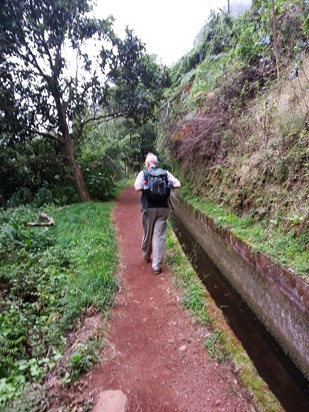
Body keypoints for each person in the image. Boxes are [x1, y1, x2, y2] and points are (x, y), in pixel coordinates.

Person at [134, 152, 181, 274]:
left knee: (147, 233)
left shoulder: (143, 173)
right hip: (164, 208)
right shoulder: (165, 173)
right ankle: (156, 265)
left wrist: (148, 188)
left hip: (148, 208)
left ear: (147, 164)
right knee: (159, 236)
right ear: (156, 164)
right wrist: (166, 187)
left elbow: (137, 187)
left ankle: (146, 255)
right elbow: (178, 184)